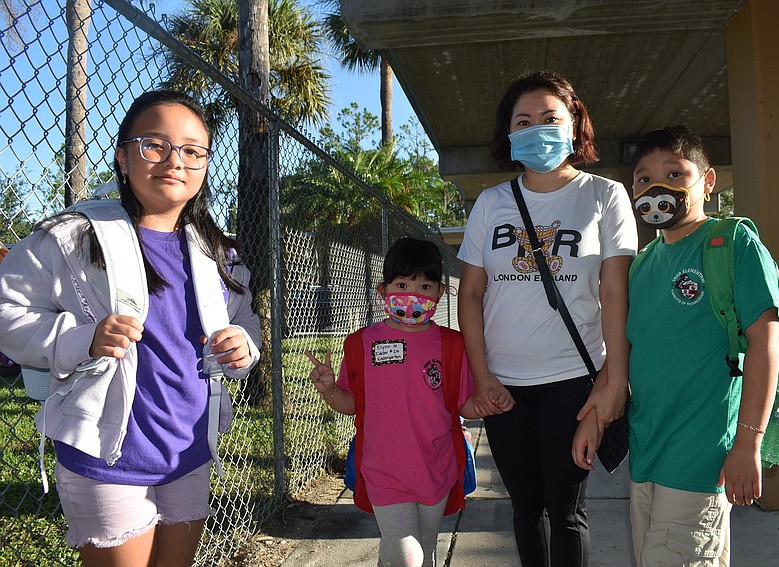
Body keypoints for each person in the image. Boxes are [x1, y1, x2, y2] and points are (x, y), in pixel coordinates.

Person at [0, 90, 261, 566]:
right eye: (154, 145)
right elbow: (8, 311)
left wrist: (244, 344)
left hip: (189, 452)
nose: (174, 161)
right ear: (123, 157)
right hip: (106, 457)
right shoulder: (73, 236)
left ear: (204, 166)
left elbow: (244, 319)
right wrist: (81, 338)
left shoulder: (219, 252)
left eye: (191, 150)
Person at [457, 70, 637, 566]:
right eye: (524, 119)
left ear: (575, 123)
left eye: (549, 117)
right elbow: (470, 295)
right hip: (504, 388)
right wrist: (482, 375)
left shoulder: (605, 195)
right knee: (523, 509)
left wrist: (613, 379)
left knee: (566, 513)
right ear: (509, 132)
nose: (536, 128)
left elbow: (616, 289)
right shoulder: (491, 204)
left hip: (573, 383)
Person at [609, 125, 779, 566]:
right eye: (644, 179)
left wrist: (748, 443)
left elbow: (765, 339)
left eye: (675, 173)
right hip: (646, 453)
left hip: (699, 457)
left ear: (707, 182)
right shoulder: (642, 264)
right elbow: (626, 352)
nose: (656, 187)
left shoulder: (731, 241)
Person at [306, 237, 508, 567]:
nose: (413, 296)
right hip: (384, 471)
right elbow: (349, 403)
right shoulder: (361, 343)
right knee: (409, 558)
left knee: (425, 553)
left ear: (440, 293)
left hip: (436, 470)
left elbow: (463, 406)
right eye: (402, 284)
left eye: (425, 286)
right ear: (383, 290)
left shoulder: (454, 345)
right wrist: (329, 388)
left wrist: (486, 405)